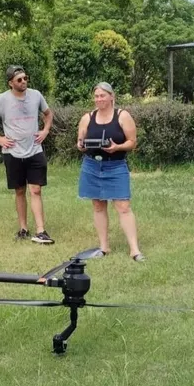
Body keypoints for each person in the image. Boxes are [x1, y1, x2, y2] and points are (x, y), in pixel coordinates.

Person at [0, 65, 55, 244]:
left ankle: (41, 231)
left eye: (25, 78)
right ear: (10, 83)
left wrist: (45, 131)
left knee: (35, 190)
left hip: (35, 150)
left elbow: (48, 114)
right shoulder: (1, 100)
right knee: (20, 190)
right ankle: (23, 229)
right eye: (19, 79)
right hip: (12, 152)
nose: (24, 82)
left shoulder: (36, 95)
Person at [76, 82, 145, 261]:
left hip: (116, 165)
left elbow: (132, 142)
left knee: (123, 207)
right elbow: (80, 141)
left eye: (103, 96)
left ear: (111, 97)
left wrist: (117, 147)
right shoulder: (87, 118)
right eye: (97, 96)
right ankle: (104, 247)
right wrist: (81, 145)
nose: (99, 99)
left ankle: (135, 250)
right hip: (92, 166)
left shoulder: (122, 116)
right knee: (98, 206)